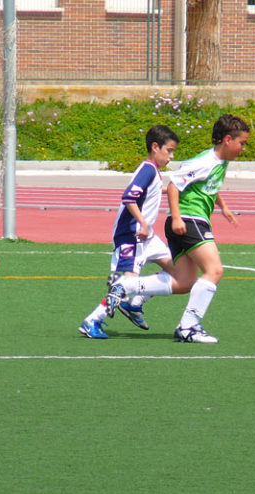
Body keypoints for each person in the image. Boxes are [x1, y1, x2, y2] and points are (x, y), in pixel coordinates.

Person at [105, 113, 249, 344]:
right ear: (227, 140)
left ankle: (127, 285)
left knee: (184, 282)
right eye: (242, 143)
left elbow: (208, 186)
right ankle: (188, 327)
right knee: (215, 271)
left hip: (190, 221)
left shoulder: (219, 162)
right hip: (190, 221)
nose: (243, 148)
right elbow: (174, 185)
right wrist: (177, 219)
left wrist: (223, 206)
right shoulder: (206, 161)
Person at [78, 125, 179, 339]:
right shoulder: (148, 169)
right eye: (169, 150)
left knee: (178, 271)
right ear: (155, 147)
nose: (171, 156)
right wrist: (142, 222)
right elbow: (129, 198)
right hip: (132, 237)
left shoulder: (154, 172)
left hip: (148, 237)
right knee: (125, 283)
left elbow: (150, 193)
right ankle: (92, 320)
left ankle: (136, 303)